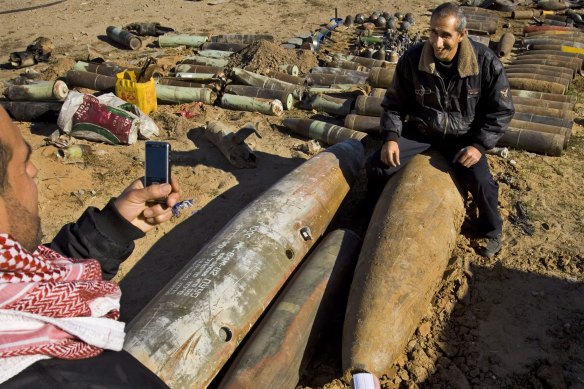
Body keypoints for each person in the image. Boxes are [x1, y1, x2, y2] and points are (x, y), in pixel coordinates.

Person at [0, 105, 180, 388]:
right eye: (22, 163)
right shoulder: (62, 377)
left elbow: (32, 284)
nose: (34, 171)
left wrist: (113, 226)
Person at [366, 2, 514, 258]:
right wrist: (391, 137)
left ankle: (492, 230)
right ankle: (370, 215)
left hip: (463, 136)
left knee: (483, 184)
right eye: (433, 32)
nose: (437, 42)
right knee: (377, 166)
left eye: (446, 35)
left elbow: (501, 111)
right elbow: (393, 104)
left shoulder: (485, 63)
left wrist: (479, 146)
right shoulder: (412, 60)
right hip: (422, 130)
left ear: (461, 35)